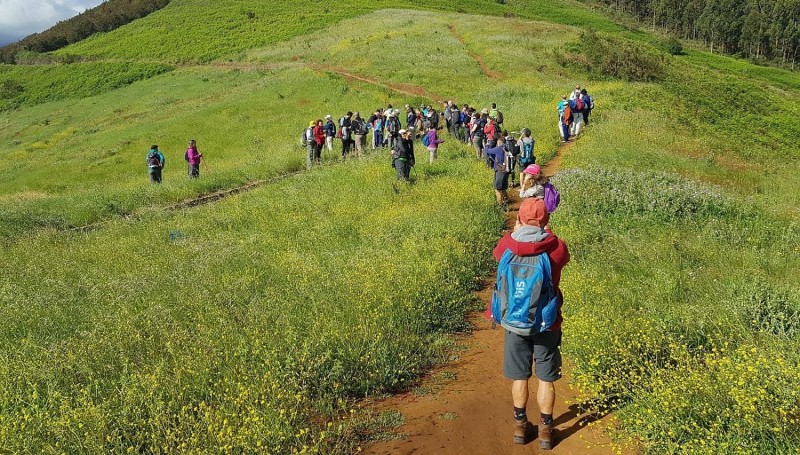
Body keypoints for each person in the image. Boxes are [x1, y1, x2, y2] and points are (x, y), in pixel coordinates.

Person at [492, 197, 570, 450]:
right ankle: (546, 430)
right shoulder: (556, 246)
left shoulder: (507, 244)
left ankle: (520, 426)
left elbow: (497, 255)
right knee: (546, 379)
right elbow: (563, 257)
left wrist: (515, 233)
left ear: (520, 218)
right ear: (546, 220)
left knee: (520, 376)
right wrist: (547, 233)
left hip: (515, 321)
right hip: (547, 322)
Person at [484, 136, 511, 207]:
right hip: (506, 170)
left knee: (498, 189)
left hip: (500, 171)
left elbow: (487, 151)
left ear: (499, 142)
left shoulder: (498, 149)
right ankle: (507, 202)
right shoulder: (507, 148)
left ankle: (500, 206)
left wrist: (487, 145)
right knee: (504, 188)